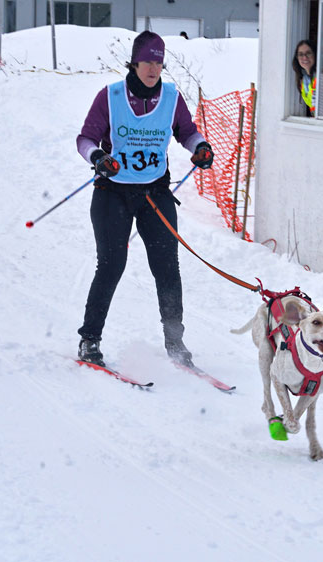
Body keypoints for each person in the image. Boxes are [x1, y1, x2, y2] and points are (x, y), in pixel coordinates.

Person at [76, 30, 213, 368]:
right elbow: (85, 139)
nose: (153, 68)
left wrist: (200, 147)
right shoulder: (110, 96)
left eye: (159, 62)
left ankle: (175, 341)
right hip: (113, 193)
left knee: (167, 267)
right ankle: (89, 339)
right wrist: (98, 157)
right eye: (147, 61)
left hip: (155, 193)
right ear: (134, 62)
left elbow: (187, 132)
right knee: (111, 265)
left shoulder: (171, 97)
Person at [292, 39, 316, 117]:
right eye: (301, 54)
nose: (304, 57)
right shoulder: (303, 81)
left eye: (308, 53)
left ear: (315, 54)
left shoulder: (322, 77)